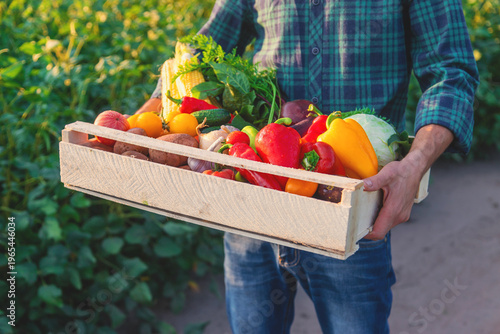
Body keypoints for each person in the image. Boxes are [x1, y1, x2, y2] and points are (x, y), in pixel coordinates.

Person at [136, 0, 479, 332]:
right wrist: (144, 117)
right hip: (252, 189)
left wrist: (415, 164)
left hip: (351, 205)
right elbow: (205, 46)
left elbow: (451, 71)